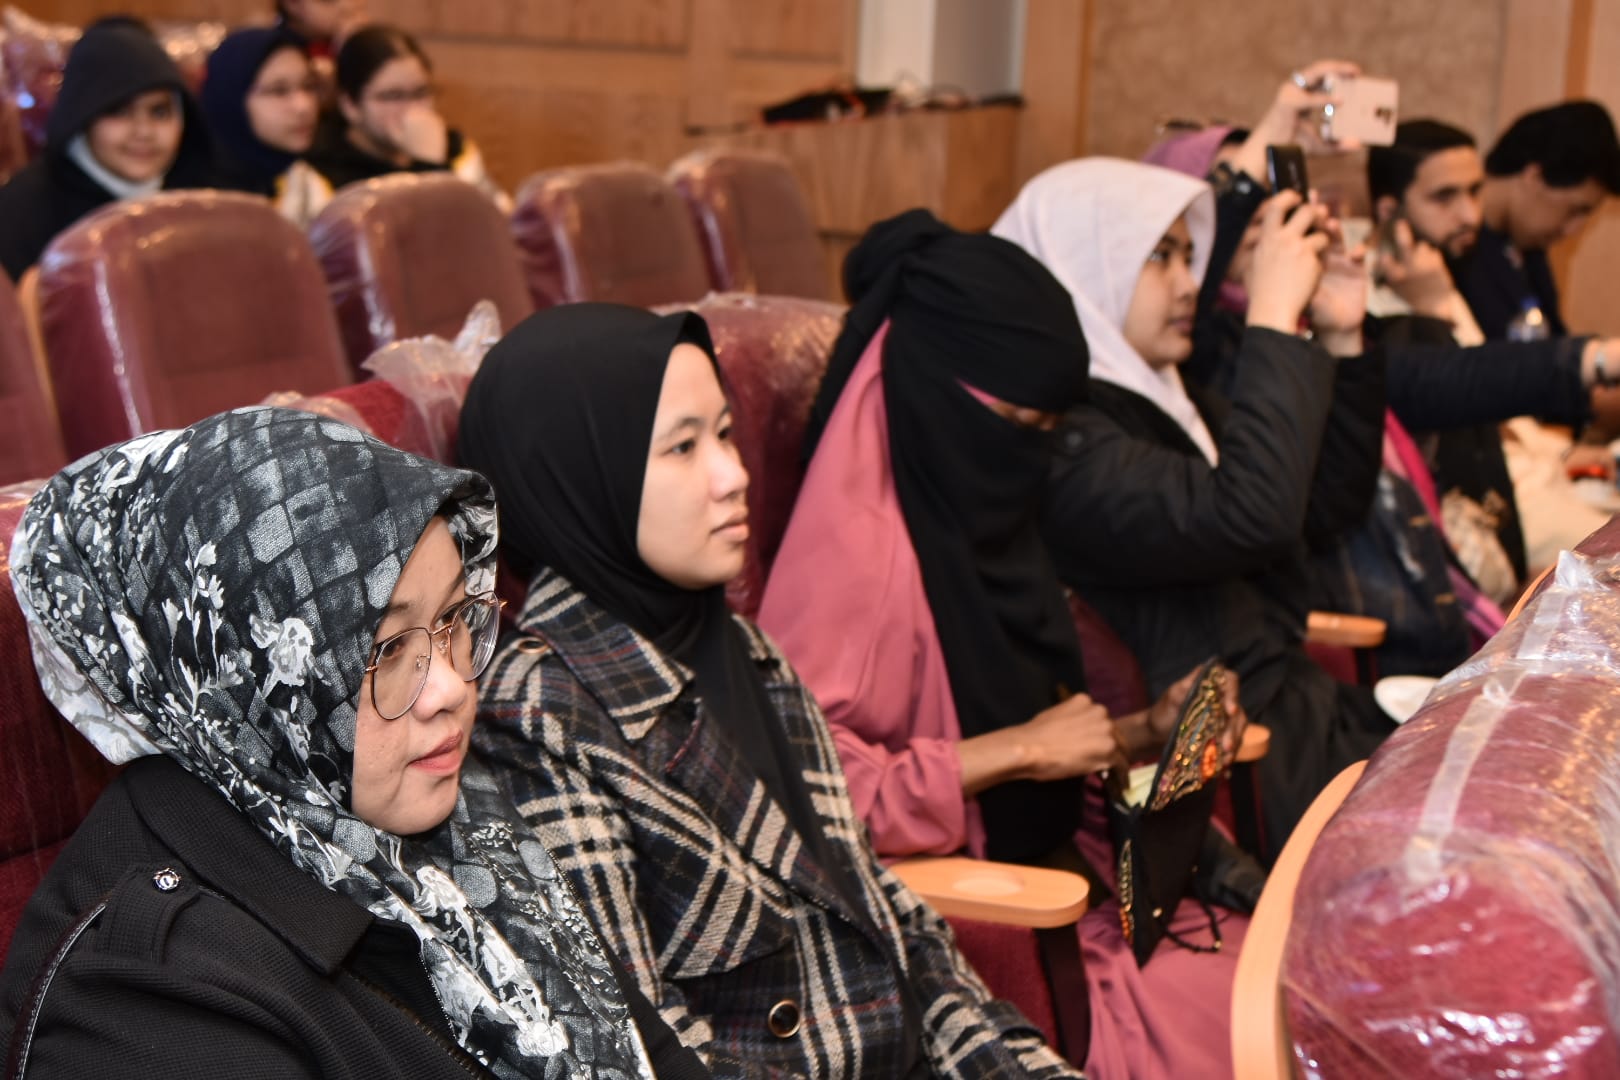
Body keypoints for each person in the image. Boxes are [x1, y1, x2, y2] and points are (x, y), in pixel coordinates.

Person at [459, 303, 1080, 1079]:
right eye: (682, 447)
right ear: (578, 477)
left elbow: (890, 924)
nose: (734, 475)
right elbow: (641, 1048)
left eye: (724, 434)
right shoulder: (532, 717)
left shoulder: (747, 651)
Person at [0, 407, 706, 1079]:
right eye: (386, 649)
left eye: (454, 620)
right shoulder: (147, 1003)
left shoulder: (432, 806)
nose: (449, 688)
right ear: (244, 671)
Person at [757, 210, 1250, 1079]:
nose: (1033, 451)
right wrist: (1020, 749)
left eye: (1049, 427)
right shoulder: (860, 566)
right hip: (978, 940)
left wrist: (1139, 733)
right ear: (938, 394)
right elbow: (810, 801)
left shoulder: (971, 510)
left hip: (1068, 883)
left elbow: (1021, 734)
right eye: (1018, 422)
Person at [992, 159, 1396, 855]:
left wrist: (1339, 337)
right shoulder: (1067, 442)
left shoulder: (1168, 397)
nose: (1188, 284)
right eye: (1159, 257)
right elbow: (1252, 516)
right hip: (1228, 780)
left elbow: (1323, 509)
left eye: (1188, 257)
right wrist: (1272, 318)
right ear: (1082, 266)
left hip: (1297, 719)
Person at [0, 22, 215, 280]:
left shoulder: (204, 198)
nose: (144, 132)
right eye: (119, 111)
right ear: (84, 115)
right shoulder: (22, 212)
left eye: (159, 112)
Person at [1459, 100, 1620, 342]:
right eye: (1575, 210)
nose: (1573, 229)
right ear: (1534, 176)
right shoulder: (1455, 248)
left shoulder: (1528, 250)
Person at [308, 24, 504, 207]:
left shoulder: (455, 151)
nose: (412, 109)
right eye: (393, 96)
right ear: (350, 105)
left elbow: (491, 221)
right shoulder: (319, 172)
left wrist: (433, 162)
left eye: (421, 92)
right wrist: (428, 168)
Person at [202, 26, 334, 227]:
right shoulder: (201, 202)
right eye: (279, 91)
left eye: (309, 86)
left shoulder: (304, 182)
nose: (304, 106)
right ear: (231, 100)